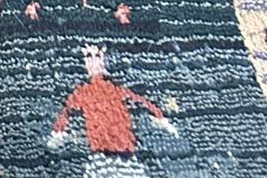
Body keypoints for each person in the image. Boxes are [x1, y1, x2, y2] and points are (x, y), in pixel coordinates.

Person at [47, 45, 178, 174]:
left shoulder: (115, 89)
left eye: (97, 56)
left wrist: (160, 118)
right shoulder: (81, 92)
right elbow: (65, 111)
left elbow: (141, 101)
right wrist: (58, 133)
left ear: (103, 59)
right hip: (102, 155)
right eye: (88, 56)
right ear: (83, 63)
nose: (94, 61)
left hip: (124, 153)